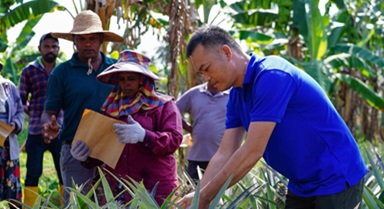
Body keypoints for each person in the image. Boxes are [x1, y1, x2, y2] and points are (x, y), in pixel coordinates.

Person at [178, 25, 368, 209]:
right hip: (301, 184)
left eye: (207, 68)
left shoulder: (272, 75)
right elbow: (224, 153)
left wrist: (205, 197)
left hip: (335, 177)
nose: (206, 78)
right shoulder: (236, 95)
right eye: (201, 73)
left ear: (227, 53)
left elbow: (252, 151)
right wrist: (198, 196)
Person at [70, 49, 183, 206]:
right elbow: (104, 147)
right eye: (122, 79)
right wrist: (86, 156)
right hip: (118, 186)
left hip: (155, 184)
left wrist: (145, 136)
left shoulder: (164, 106)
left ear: (142, 80)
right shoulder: (113, 108)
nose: (126, 83)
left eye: (131, 78)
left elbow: (174, 140)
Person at [40, 10, 123, 203]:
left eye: (93, 38)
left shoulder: (118, 69)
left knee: (113, 202)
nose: (87, 43)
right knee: (77, 203)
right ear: (74, 41)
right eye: (82, 39)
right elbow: (48, 112)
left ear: (101, 39)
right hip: (76, 149)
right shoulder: (61, 73)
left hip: (112, 149)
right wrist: (47, 125)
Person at [18, 33, 64, 207]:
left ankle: (67, 203)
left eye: (54, 46)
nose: (50, 49)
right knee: (33, 172)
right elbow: (21, 100)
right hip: (36, 129)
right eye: (47, 46)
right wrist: (35, 113)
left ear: (58, 49)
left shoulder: (64, 70)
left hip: (61, 129)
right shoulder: (29, 70)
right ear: (40, 49)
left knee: (63, 172)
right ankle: (29, 205)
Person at [176, 82, 229, 183]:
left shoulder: (232, 94)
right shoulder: (194, 93)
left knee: (219, 195)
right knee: (193, 193)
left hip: (222, 158)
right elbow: (173, 111)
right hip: (197, 157)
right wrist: (189, 128)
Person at [0, 61, 24, 208]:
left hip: (7, 145)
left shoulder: (8, 86)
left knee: (11, 189)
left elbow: (19, 110)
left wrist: (15, 123)